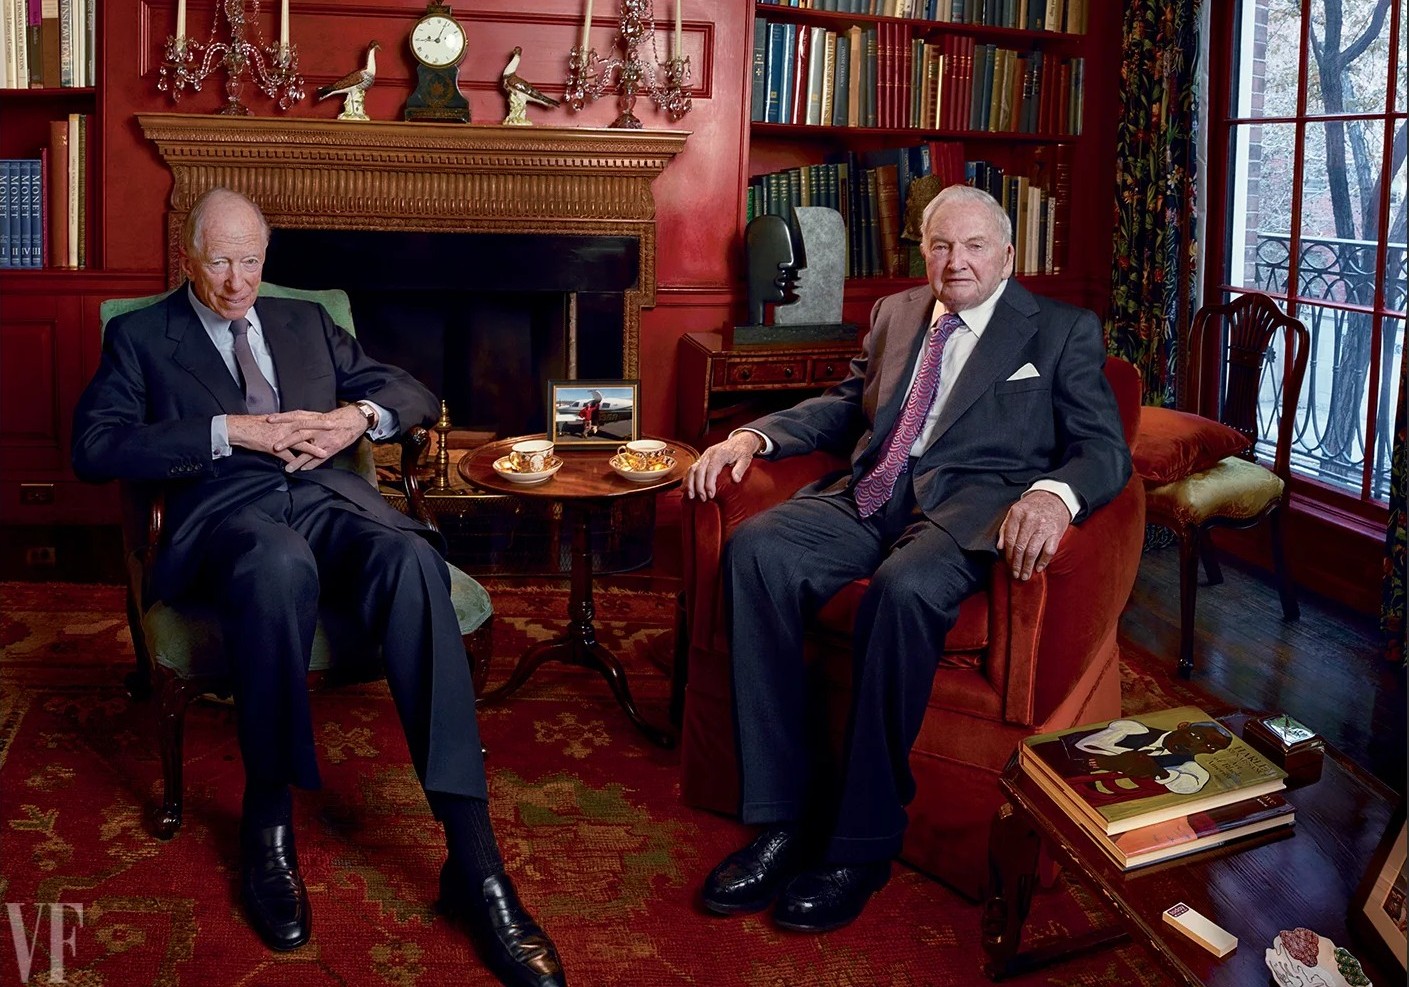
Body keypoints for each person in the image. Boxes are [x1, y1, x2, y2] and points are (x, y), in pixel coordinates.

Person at [72, 187, 567, 987]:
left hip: (331, 498)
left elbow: (415, 394)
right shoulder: (141, 337)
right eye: (222, 261)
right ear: (188, 258)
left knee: (413, 563)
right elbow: (93, 447)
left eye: (252, 261)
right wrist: (225, 431)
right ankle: (268, 822)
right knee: (277, 563)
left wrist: (355, 419)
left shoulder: (303, 320)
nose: (239, 281)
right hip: (227, 513)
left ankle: (473, 863)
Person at [684, 185, 1132, 933]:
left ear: (1008, 255)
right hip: (869, 495)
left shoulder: (1058, 331)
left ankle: (858, 844)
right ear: (922, 250)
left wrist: (1053, 494)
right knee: (757, 549)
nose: (955, 262)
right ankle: (781, 816)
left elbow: (1103, 447)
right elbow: (845, 401)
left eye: (974, 246)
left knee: (902, 589)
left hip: (968, 514)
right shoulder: (896, 313)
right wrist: (753, 438)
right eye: (941, 245)